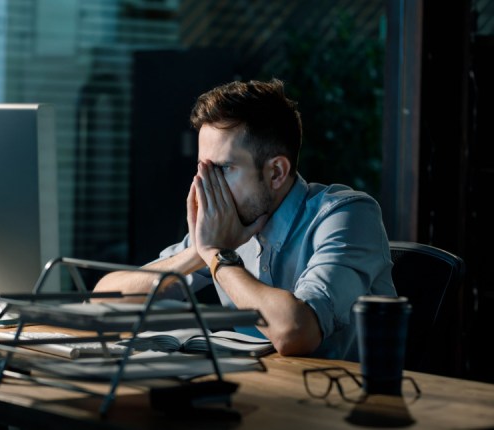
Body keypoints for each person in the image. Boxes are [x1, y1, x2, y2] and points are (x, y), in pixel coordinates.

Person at [94, 78, 395, 361]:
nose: (205, 184)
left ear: (276, 172)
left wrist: (217, 256)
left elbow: (294, 332)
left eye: (222, 169)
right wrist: (197, 252)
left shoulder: (348, 215)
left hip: (345, 405)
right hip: (264, 396)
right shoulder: (228, 225)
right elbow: (102, 303)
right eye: (202, 168)